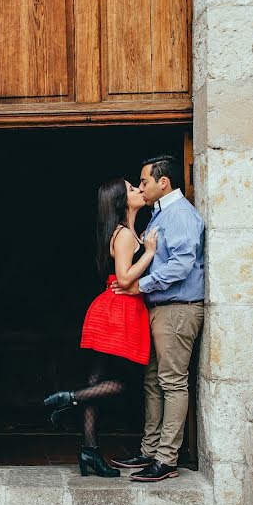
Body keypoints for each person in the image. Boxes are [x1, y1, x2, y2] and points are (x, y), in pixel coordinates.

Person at [43, 177, 158, 477]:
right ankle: (70, 397)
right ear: (122, 201)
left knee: (97, 380)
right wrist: (148, 252)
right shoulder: (123, 236)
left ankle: (89, 452)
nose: (138, 190)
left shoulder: (127, 231)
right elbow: (123, 278)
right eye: (132, 189)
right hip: (118, 311)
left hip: (112, 309)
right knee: (127, 383)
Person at [110, 155, 205, 482]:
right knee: (153, 381)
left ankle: (167, 459)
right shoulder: (158, 214)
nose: (141, 186)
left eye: (145, 181)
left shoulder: (180, 215)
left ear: (163, 182)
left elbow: (181, 265)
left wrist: (141, 286)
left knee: (172, 382)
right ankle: (149, 450)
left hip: (177, 308)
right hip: (158, 308)